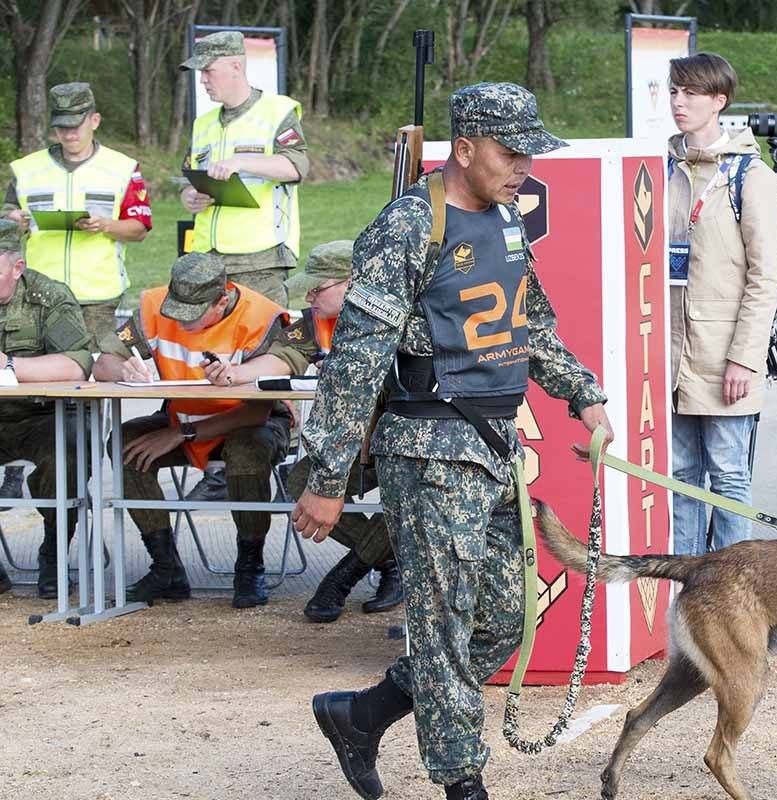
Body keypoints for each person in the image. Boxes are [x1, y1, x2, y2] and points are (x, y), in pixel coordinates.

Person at [291, 83, 614, 800]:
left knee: (502, 619)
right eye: (509, 150)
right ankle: (462, 784)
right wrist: (328, 473)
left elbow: (528, 324)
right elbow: (358, 359)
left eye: (530, 151)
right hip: (430, 452)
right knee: (440, 629)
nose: (523, 165)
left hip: (493, 447)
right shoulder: (407, 226)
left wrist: (581, 393)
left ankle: (364, 713)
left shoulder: (503, 218)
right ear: (463, 148)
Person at [93, 252, 296, 606]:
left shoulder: (261, 317)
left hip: (248, 424)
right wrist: (123, 370)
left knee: (249, 451)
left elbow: (257, 413)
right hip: (183, 417)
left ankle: (251, 564)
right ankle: (166, 567)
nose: (182, 322)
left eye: (193, 315)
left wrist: (181, 434)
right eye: (177, 311)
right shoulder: (153, 305)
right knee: (125, 443)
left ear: (222, 300)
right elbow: (104, 363)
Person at [179, 30, 308, 504]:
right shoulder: (204, 123)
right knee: (212, 358)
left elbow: (298, 167)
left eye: (209, 71)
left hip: (260, 255)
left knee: (263, 359)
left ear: (235, 65)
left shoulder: (277, 112)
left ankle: (276, 445)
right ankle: (217, 454)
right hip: (210, 259)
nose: (205, 82)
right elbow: (190, 176)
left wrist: (241, 162)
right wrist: (190, 195)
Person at [666, 53, 777, 556]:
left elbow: (765, 279)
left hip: (723, 356)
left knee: (728, 477)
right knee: (679, 477)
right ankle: (681, 587)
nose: (678, 102)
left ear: (719, 101)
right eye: (674, 91)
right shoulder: (660, 169)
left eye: (690, 93)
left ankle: (733, 594)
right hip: (668, 355)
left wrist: (744, 358)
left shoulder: (750, 176)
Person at [267, 240, 404, 622]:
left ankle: (343, 577)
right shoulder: (316, 321)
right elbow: (279, 356)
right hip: (352, 449)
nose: (309, 295)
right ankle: (389, 563)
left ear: (353, 282)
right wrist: (233, 374)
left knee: (407, 493)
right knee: (300, 481)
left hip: (401, 443)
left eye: (319, 287)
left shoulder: (398, 318)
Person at [3, 82, 152, 346]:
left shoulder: (122, 167)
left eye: (76, 126)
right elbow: (6, 222)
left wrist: (105, 225)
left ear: (94, 121)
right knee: (43, 373)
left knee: (94, 374)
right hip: (39, 294)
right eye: (62, 127)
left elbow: (139, 228)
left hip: (97, 298)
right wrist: (14, 221)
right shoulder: (26, 169)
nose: (69, 134)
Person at [0, 219, 93, 598]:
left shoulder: (48, 297)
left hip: (45, 416)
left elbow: (78, 364)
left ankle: (54, 555)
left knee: (68, 453)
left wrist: (9, 368)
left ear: (17, 267)